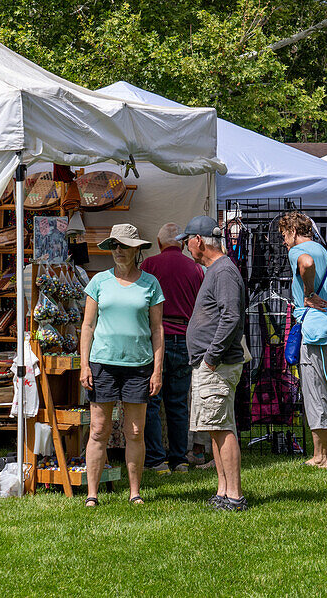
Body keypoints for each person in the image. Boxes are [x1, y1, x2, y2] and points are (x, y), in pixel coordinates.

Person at [80, 224, 165, 506]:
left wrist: (157, 370)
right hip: (102, 363)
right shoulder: (99, 282)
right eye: (114, 245)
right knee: (98, 430)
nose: (118, 250)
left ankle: (134, 492)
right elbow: (87, 326)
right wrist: (84, 364)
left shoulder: (150, 283)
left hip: (139, 365)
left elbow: (157, 330)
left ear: (136, 249)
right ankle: (92, 494)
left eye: (124, 246)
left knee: (136, 432)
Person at [179, 215, 249, 509]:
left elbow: (231, 316)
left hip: (216, 365)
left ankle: (234, 495)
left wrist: (210, 357)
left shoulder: (223, 272)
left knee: (222, 428)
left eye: (187, 242)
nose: (186, 248)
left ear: (198, 240)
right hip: (212, 364)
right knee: (215, 426)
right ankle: (223, 490)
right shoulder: (218, 270)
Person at [279, 212, 327, 468]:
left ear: (292, 231)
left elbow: (306, 262)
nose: (284, 242)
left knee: (315, 393)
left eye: (283, 236)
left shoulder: (298, 250)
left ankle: (320, 456)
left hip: (318, 330)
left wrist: (309, 293)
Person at [139, 222, 204, 474]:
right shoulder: (195, 268)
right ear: (181, 243)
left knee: (153, 401)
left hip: (156, 339)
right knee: (178, 403)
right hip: (184, 338)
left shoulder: (150, 265)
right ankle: (179, 459)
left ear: (158, 243)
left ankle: (156, 459)